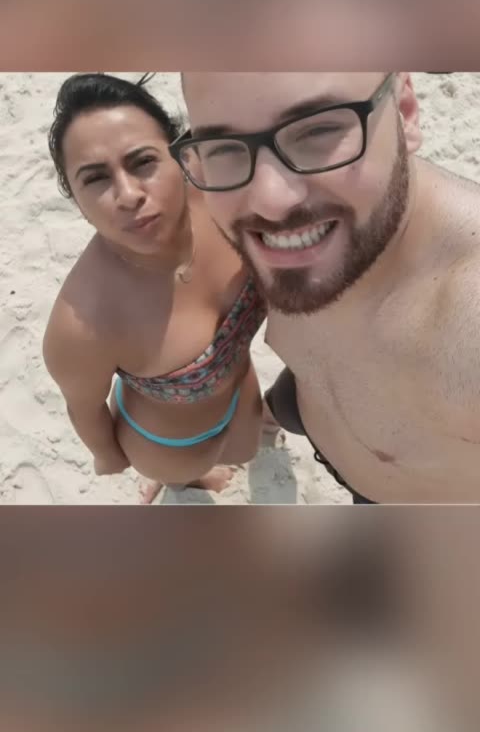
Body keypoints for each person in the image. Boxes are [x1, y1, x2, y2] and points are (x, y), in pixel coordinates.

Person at [177, 72, 480, 503]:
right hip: (311, 403)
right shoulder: (225, 204)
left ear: (405, 111)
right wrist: (167, 458)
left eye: (317, 130)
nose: (270, 201)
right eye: (224, 147)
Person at [43, 73, 278, 504]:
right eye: (95, 178)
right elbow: (85, 409)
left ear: (180, 156)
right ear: (78, 201)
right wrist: (107, 457)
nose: (128, 194)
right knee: (186, 479)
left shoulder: (221, 196)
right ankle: (187, 483)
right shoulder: (83, 325)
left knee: (246, 450)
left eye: (142, 162)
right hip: (170, 444)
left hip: (243, 389)